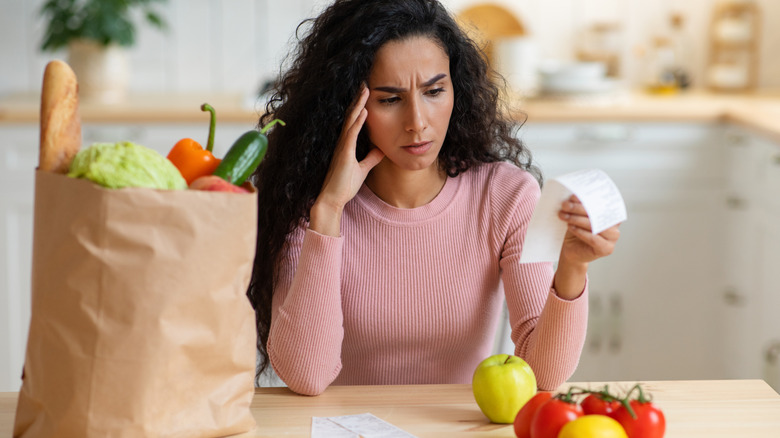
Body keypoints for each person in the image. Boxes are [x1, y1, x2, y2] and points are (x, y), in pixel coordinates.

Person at [248, 0, 621, 396]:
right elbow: (307, 377)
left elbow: (542, 376)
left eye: (434, 91)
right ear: (347, 107)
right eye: (389, 99)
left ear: (456, 90)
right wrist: (327, 212)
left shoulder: (505, 196)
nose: (417, 123)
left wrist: (572, 269)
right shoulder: (310, 201)